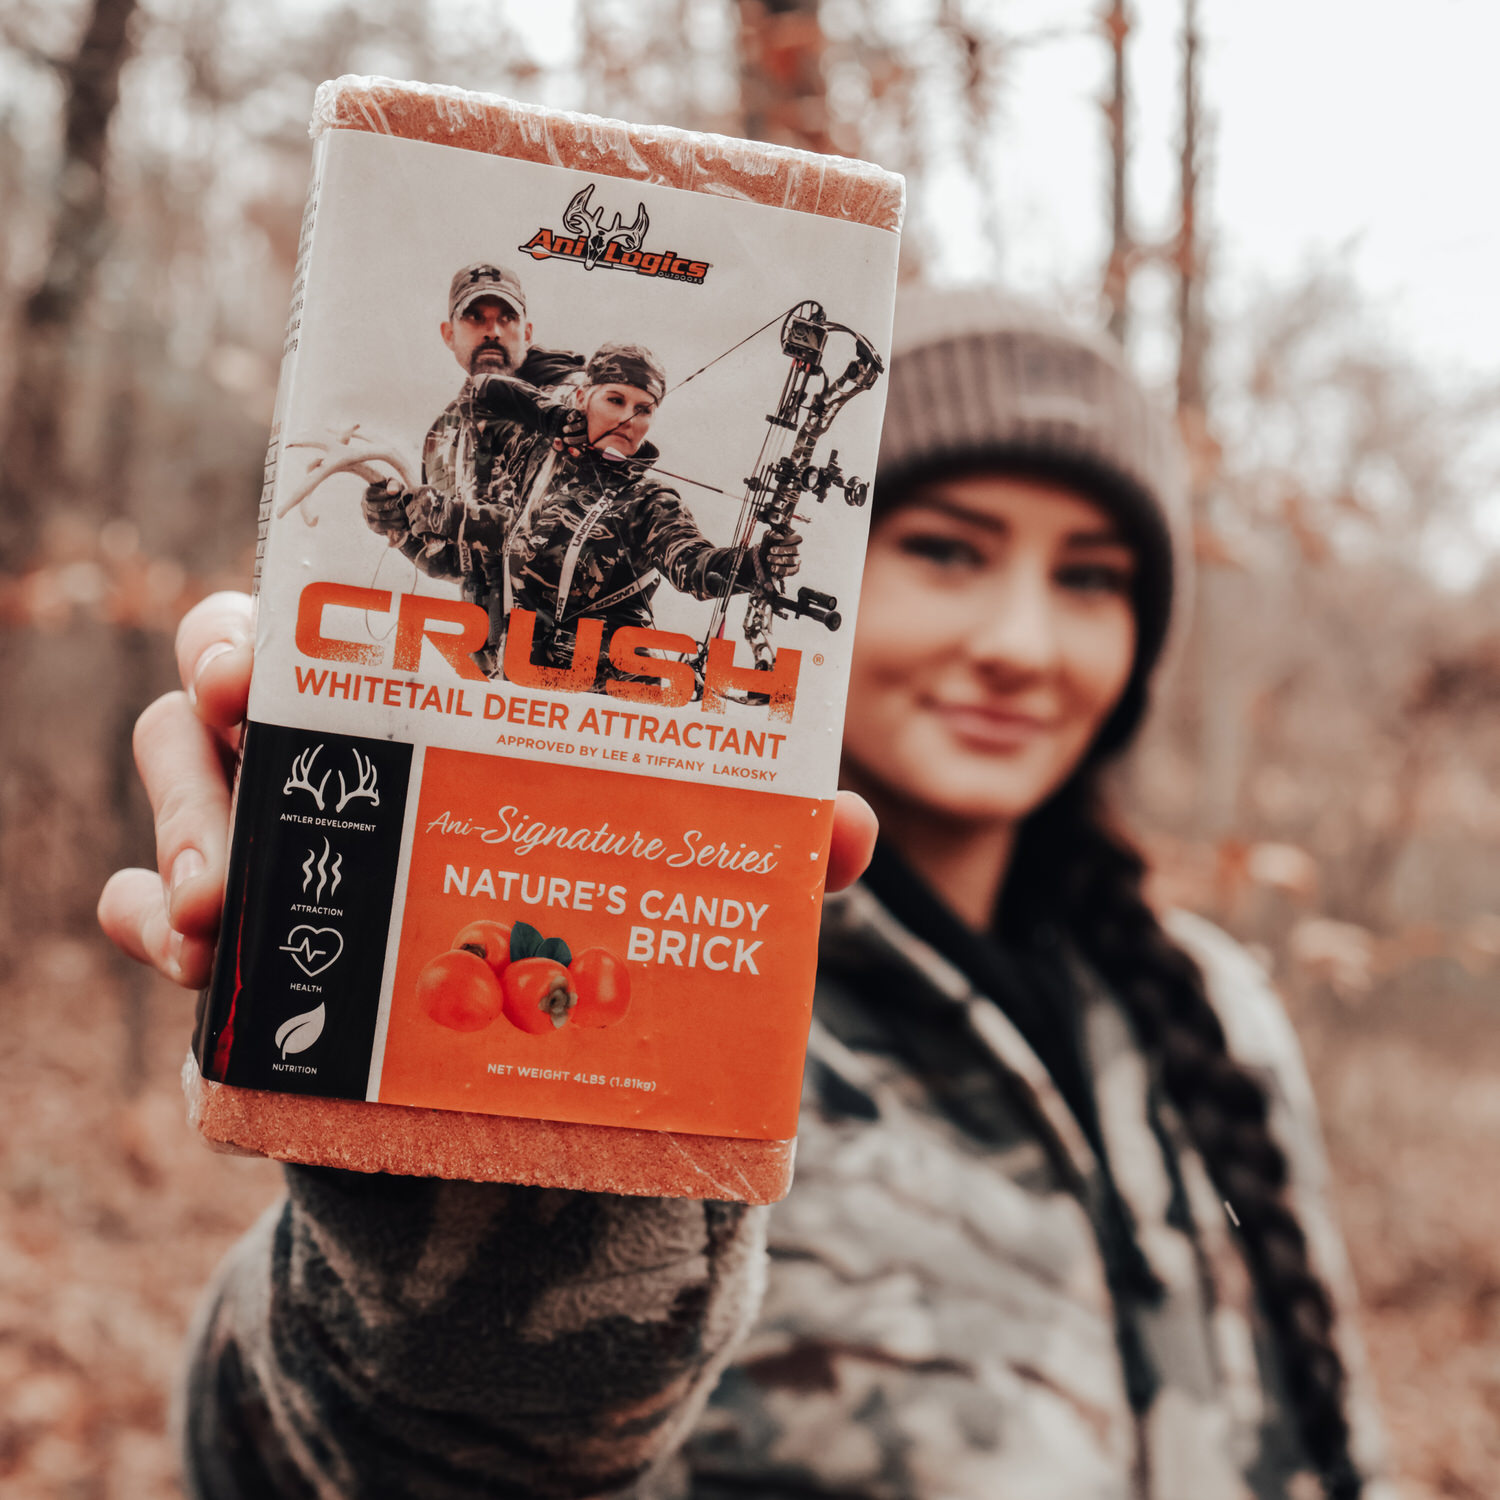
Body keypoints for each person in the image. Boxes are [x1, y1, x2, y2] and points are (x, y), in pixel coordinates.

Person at [98, 288, 1393, 1499]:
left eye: (1091, 577)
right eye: (948, 551)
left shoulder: (1215, 1005)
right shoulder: (639, 950)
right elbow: (292, 1450)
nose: (1019, 644)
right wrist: (456, 1247)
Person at [408, 339, 803, 679]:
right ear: (582, 397)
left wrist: (757, 564)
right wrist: (548, 416)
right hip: (519, 683)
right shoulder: (536, 450)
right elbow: (477, 393)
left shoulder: (648, 501)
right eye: (614, 399)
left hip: (605, 700)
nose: (627, 418)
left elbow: (693, 564)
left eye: (643, 408)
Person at [359, 260, 585, 575]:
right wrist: (402, 524)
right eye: (474, 318)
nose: (492, 332)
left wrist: (453, 517)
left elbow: (580, 541)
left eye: (507, 318)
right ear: (449, 334)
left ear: (527, 333)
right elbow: (456, 566)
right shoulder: (443, 433)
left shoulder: (575, 408)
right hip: (490, 621)